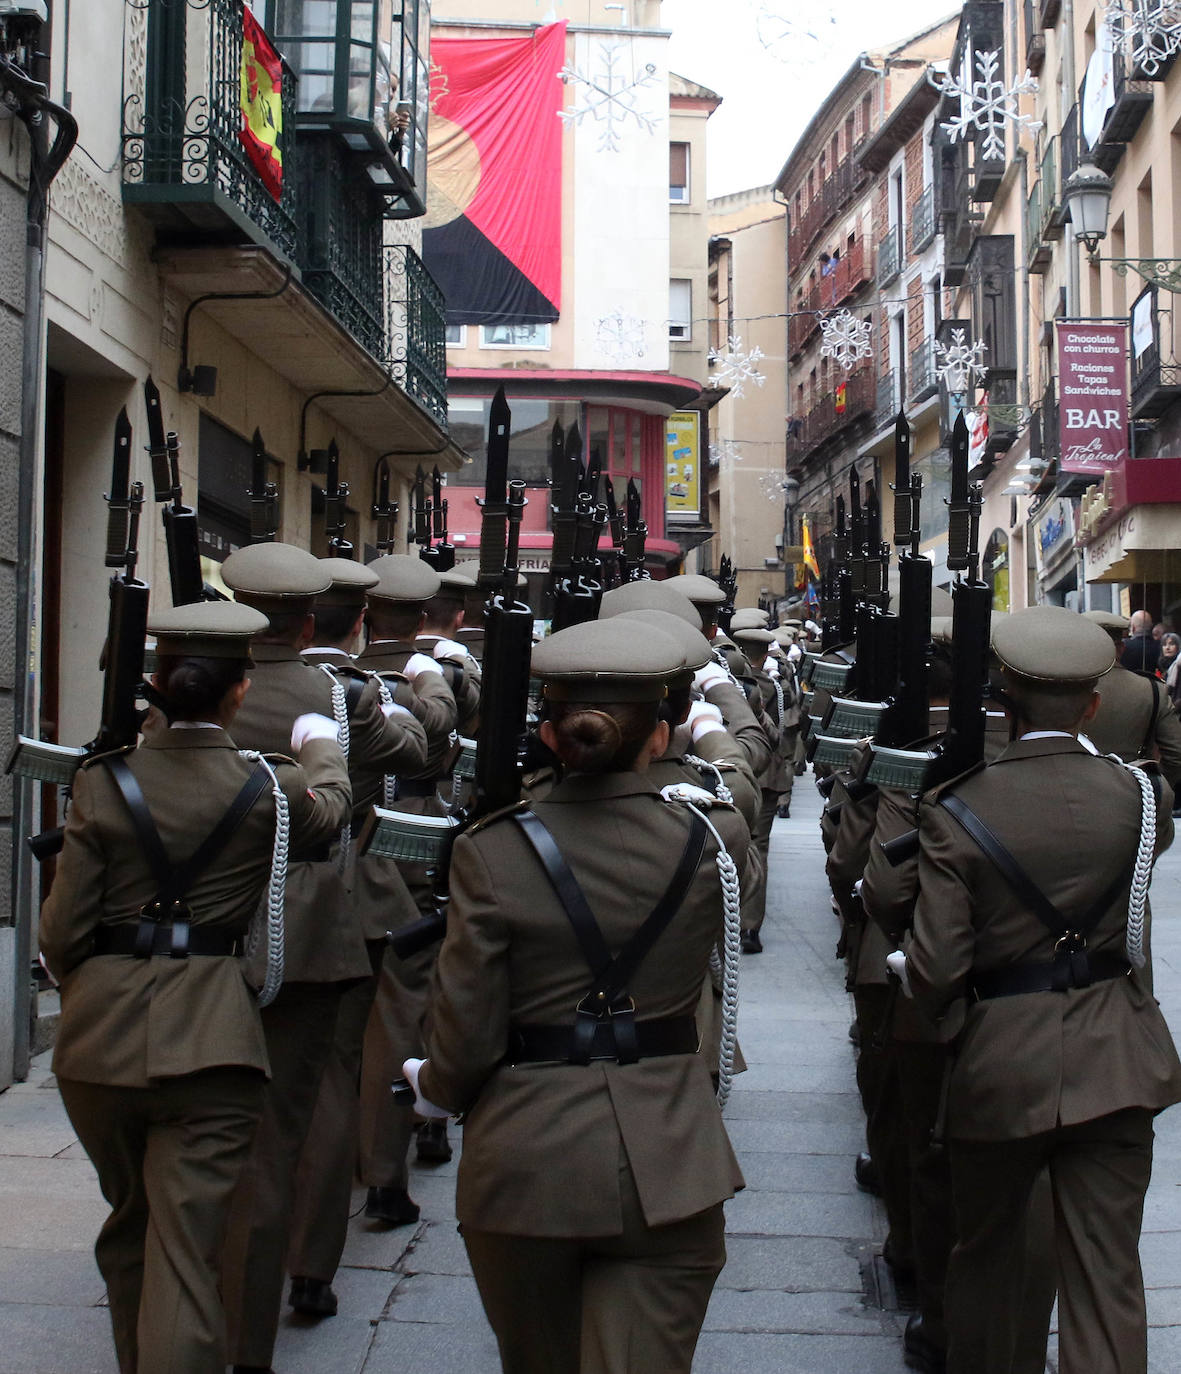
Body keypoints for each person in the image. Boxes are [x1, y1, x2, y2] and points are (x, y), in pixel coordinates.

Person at [408, 618, 750, 1374]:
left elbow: (465, 1023)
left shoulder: (490, 847)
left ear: (553, 738)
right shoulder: (710, 837)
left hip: (527, 1157)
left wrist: (433, 1089)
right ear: (658, 738)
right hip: (668, 1157)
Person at [40, 601, 352, 1374]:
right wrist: (321, 748)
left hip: (99, 1043)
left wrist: (106, 989)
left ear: (154, 686)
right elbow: (335, 815)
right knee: (186, 1247)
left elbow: (61, 935)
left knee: (131, 1224)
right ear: (238, 693)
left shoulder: (102, 783)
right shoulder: (268, 789)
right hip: (212, 1040)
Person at [900, 605, 1181, 1374]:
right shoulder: (1139, 797)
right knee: (1107, 1274)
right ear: (1092, 704)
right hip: (1117, 1055)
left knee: (990, 1265)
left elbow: (932, 974)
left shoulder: (955, 808)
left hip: (1002, 1060)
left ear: (1001, 697)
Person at [1083, 610, 1181, 791]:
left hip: (1079, 790)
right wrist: (1153, 791)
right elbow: (1176, 755)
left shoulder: (1066, 689)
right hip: (1138, 793)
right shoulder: (1152, 689)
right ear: (1122, 647)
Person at [1122, 608, 1161, 676]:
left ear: (1133, 628)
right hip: (1153, 684)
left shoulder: (1123, 646)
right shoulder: (1160, 646)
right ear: (1151, 626)